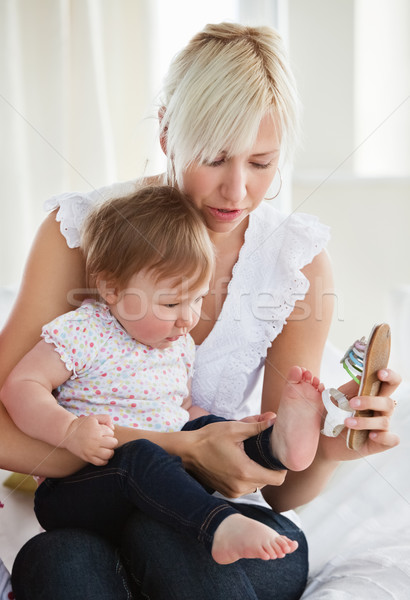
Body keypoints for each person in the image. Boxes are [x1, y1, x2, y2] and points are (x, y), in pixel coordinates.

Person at [0, 22, 400, 600]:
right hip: (94, 506)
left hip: (212, 516)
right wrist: (179, 449)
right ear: (166, 132)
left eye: (261, 163)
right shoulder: (86, 234)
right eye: (214, 158)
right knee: (63, 561)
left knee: (245, 543)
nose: (237, 191)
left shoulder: (296, 262)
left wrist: (335, 442)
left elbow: (281, 491)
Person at [2, 185, 327, 565]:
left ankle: (273, 445)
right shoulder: (82, 330)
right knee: (141, 454)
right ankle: (219, 526)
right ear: (110, 287)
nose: (188, 317)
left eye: (197, 298)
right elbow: (20, 386)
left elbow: (182, 408)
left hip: (159, 480)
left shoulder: (179, 345)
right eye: (172, 302)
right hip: (81, 487)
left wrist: (224, 429)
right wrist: (69, 431)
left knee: (206, 428)